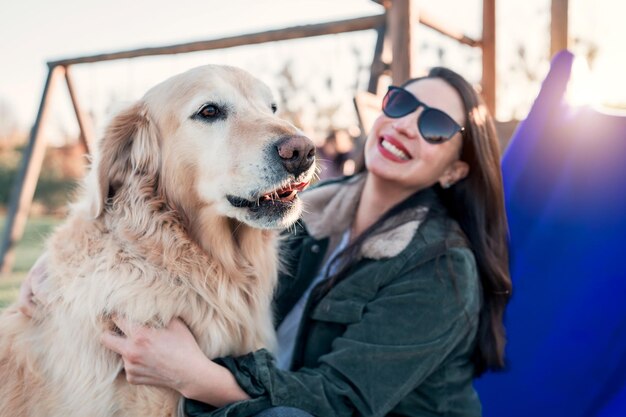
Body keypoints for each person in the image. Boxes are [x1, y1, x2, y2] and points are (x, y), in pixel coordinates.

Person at [19, 67, 511, 417]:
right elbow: (113, 215)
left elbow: (343, 403)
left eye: (435, 125)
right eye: (402, 103)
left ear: (456, 168)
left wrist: (191, 375)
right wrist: (58, 266)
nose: (405, 124)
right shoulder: (299, 212)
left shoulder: (442, 268)